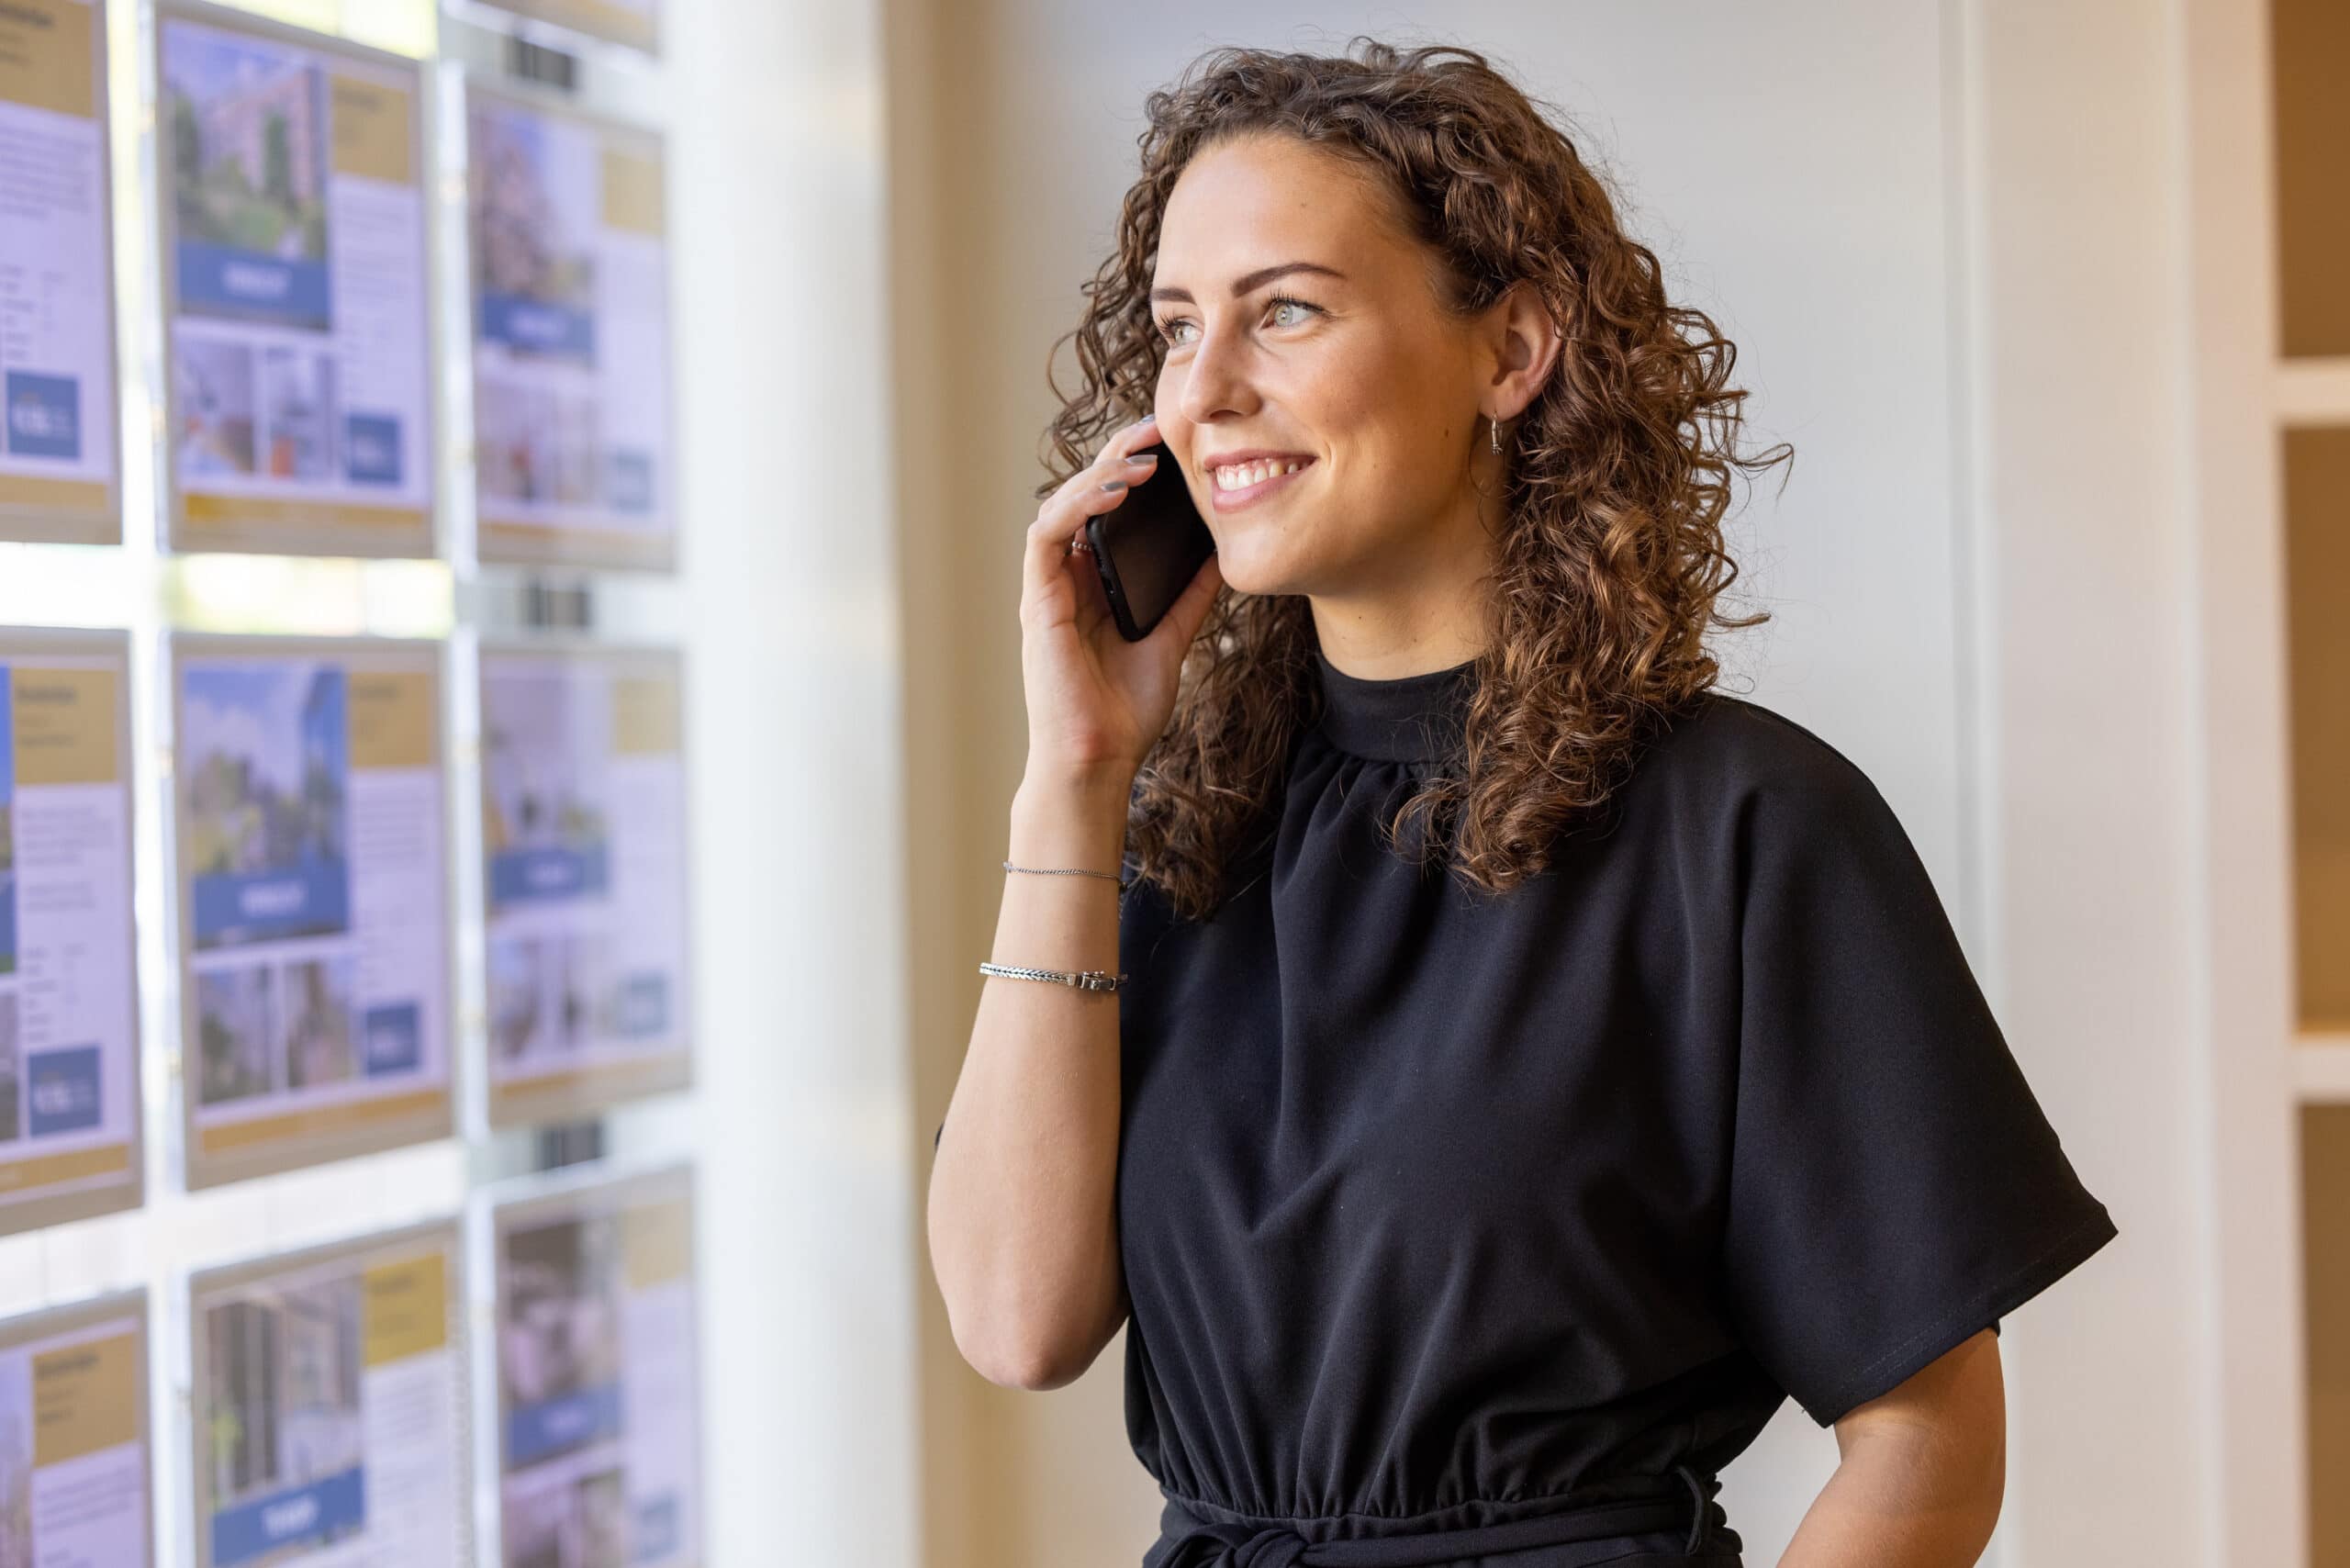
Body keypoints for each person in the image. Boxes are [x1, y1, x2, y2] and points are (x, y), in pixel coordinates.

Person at [925, 39, 2116, 1568]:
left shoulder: (1745, 832)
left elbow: (1929, 1453)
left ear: (1513, 351)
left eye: (1284, 309)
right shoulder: (1184, 838)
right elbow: (1017, 1321)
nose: (1206, 391)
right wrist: (1075, 777)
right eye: (1175, 327)